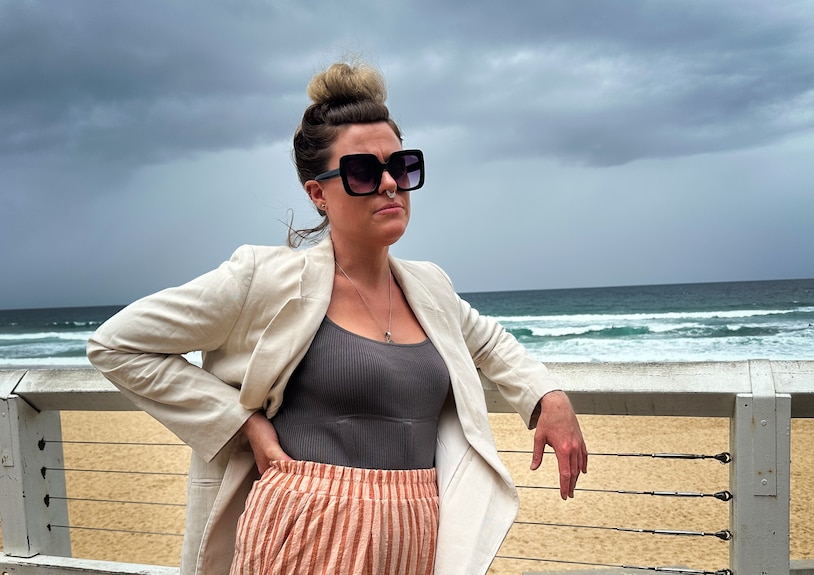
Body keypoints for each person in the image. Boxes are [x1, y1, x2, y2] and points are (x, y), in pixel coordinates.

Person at [87, 60, 588, 575]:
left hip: (415, 536)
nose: (391, 183)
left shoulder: (429, 286)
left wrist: (548, 398)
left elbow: (490, 344)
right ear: (318, 193)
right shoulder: (263, 278)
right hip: (300, 532)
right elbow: (117, 344)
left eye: (403, 165)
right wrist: (243, 424)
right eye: (364, 172)